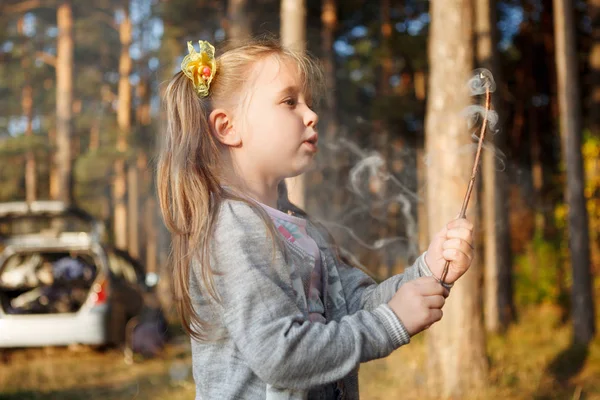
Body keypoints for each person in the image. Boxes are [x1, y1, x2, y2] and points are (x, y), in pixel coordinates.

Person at [157, 38, 475, 400]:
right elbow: (281, 354)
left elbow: (356, 308)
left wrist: (430, 270)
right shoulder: (232, 228)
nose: (311, 114)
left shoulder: (297, 229)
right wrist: (391, 324)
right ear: (228, 128)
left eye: (308, 102)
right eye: (289, 102)